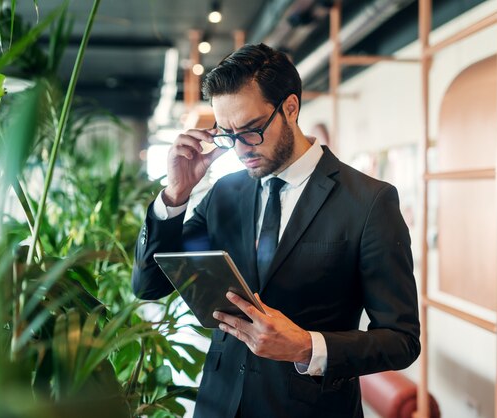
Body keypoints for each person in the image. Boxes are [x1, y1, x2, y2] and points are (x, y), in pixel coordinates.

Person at [132, 43, 420, 418]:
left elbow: (401, 340)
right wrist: (175, 193)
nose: (240, 148)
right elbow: (148, 285)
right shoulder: (224, 192)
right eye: (228, 134)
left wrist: (306, 346)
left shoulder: (368, 201)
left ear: (290, 108)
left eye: (252, 130)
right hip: (218, 405)